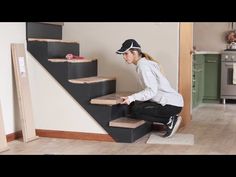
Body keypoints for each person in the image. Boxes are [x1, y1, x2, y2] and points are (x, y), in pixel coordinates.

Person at [116, 39, 184, 138]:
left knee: (136, 110)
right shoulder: (145, 63)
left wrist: (131, 98)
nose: (124, 57)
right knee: (134, 106)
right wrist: (133, 98)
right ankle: (170, 118)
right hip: (172, 103)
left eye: (126, 54)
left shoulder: (143, 66)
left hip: (170, 105)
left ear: (134, 53)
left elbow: (152, 91)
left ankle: (169, 120)